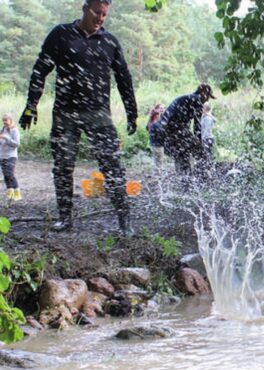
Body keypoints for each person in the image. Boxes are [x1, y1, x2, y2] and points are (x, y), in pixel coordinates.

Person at [18, 0, 138, 235]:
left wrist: (132, 112)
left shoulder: (110, 41)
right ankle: (65, 218)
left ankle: (125, 220)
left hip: (99, 114)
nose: (100, 18)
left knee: (112, 165)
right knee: (63, 166)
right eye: (97, 12)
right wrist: (31, 105)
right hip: (65, 113)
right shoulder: (61, 34)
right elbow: (40, 69)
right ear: (85, 8)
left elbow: (124, 78)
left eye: (104, 14)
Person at [159, 84, 215, 174]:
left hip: (164, 130)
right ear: (203, 92)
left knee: (181, 154)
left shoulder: (187, 99)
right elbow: (197, 127)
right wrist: (199, 143)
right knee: (201, 153)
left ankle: (185, 181)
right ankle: (203, 177)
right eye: (208, 96)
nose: (207, 100)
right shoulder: (197, 100)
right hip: (174, 127)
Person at [0, 114, 21, 201]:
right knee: (5, 174)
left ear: (10, 120)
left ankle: (17, 192)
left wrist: (6, 138)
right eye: (3, 120)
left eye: (6, 120)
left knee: (10, 173)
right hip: (2, 155)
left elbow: (16, 144)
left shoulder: (14, 131)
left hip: (11, 156)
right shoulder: (3, 129)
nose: (5, 122)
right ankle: (10, 192)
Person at [147, 103, 165, 172]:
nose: (160, 116)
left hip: (153, 143)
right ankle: (158, 173)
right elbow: (161, 133)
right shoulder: (156, 124)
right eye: (158, 115)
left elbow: (148, 129)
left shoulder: (151, 122)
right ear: (156, 115)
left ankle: (156, 171)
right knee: (159, 160)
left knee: (156, 160)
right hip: (158, 144)